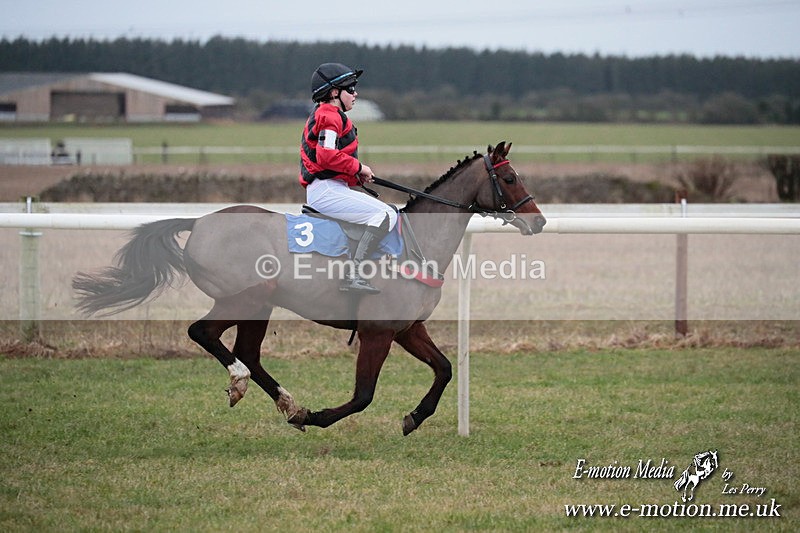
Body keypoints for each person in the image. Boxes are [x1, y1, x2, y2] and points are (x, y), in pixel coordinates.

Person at [300, 62, 398, 294]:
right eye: (351, 89)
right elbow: (326, 156)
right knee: (385, 214)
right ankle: (353, 274)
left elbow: (328, 158)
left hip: (332, 187)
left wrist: (355, 176)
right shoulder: (329, 116)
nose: (355, 94)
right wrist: (358, 166)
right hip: (326, 191)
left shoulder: (329, 115)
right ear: (335, 92)